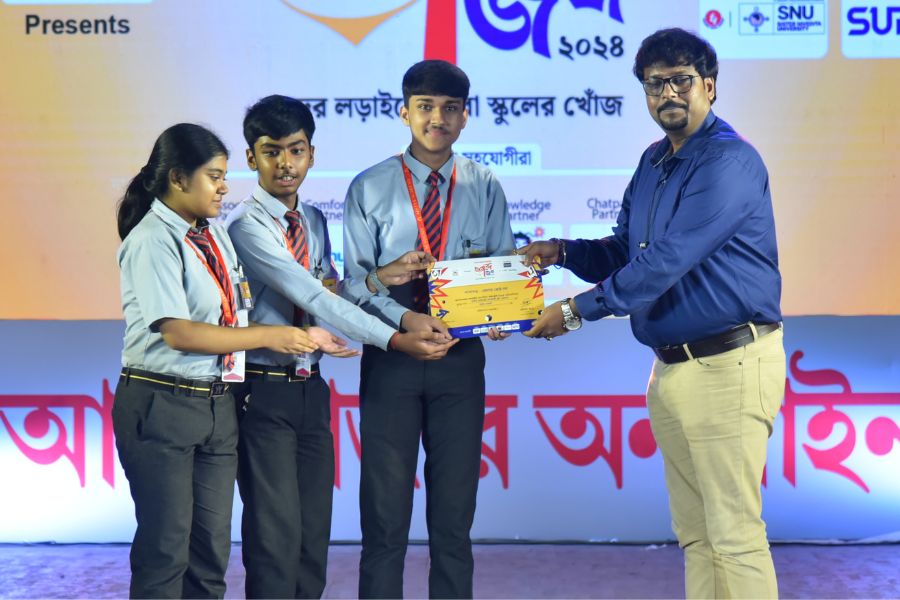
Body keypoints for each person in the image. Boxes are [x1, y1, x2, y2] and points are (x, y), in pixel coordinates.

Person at [520, 28, 785, 599]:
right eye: (654, 83)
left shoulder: (728, 161)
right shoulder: (654, 160)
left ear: (709, 86)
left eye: (681, 80)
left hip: (729, 364)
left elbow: (666, 261)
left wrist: (574, 311)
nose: (668, 93)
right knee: (697, 535)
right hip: (671, 370)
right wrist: (562, 252)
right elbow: (627, 250)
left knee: (734, 536)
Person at [224, 95, 457, 599]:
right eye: (271, 152)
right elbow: (309, 296)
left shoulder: (311, 218)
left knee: (313, 538)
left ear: (312, 154)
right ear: (250, 158)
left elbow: (329, 287)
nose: (285, 164)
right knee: (274, 537)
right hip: (263, 389)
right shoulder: (245, 225)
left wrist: (381, 277)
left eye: (296, 150)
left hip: (311, 390)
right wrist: (394, 338)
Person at [113, 123, 317, 599]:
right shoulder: (152, 239)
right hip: (162, 402)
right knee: (166, 551)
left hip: (218, 403)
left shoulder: (214, 236)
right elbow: (179, 332)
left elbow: (233, 310)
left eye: (224, 176)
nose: (224, 187)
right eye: (214, 177)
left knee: (210, 555)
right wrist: (270, 336)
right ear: (178, 178)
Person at [342, 60, 515, 599]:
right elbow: (353, 286)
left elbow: (504, 268)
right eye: (425, 107)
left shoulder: (484, 184)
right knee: (384, 519)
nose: (437, 118)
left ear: (465, 116)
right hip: (392, 357)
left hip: (459, 361)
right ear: (404, 113)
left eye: (449, 108)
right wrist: (403, 320)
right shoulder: (369, 186)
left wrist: (501, 311)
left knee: (454, 521)